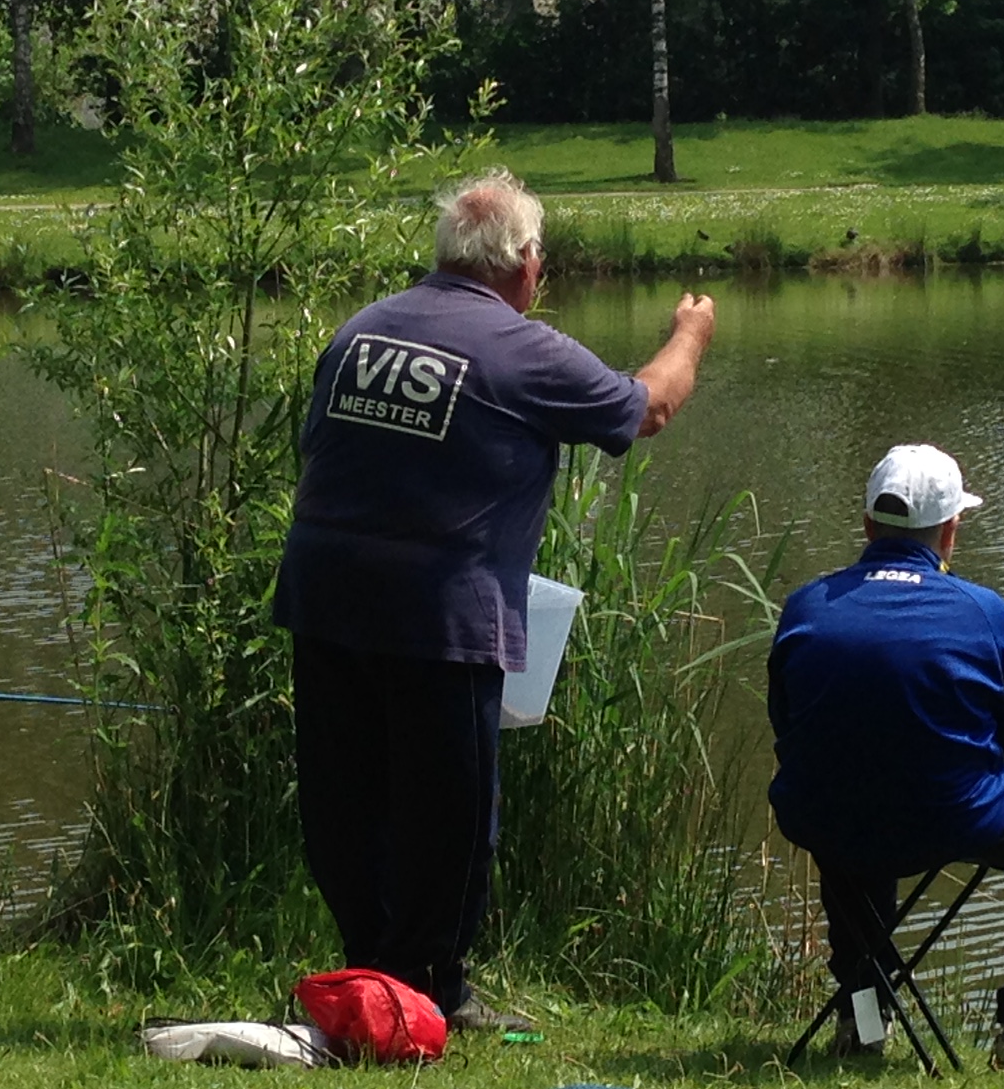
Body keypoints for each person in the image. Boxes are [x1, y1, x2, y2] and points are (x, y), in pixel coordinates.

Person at [274, 169, 716, 1029]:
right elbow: (649, 408)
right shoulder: (523, 349)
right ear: (524, 264)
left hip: (324, 599)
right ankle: (424, 987)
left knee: (346, 799)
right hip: (439, 614)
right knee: (452, 814)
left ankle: (373, 972)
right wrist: (690, 332)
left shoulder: (360, 332)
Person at [767, 444, 1004, 1070]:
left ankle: (865, 1023)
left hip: (825, 818)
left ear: (868, 524)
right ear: (951, 530)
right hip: (949, 822)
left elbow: (788, 729)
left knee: (845, 802)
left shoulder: (807, 606)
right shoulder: (985, 613)